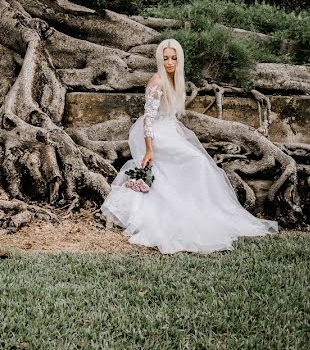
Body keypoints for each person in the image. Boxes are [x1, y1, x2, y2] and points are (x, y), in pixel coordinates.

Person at [100, 38, 278, 254]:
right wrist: (149, 149)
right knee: (195, 161)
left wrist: (178, 134)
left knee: (201, 162)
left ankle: (200, 211)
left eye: (174, 58)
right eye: (165, 58)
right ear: (159, 59)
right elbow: (148, 119)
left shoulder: (177, 81)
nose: (169, 62)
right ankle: (183, 212)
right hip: (154, 133)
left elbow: (172, 115)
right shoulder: (156, 82)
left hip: (168, 129)